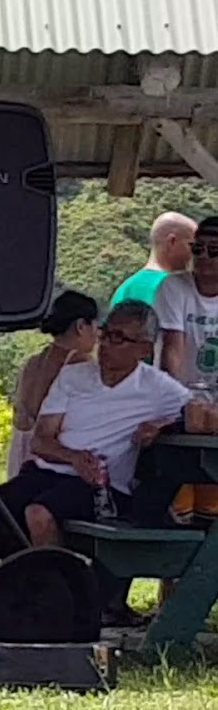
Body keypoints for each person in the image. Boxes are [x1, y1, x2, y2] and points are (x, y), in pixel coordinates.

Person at [0, 300, 190, 556]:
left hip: (102, 486)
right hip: (47, 472)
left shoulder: (158, 388)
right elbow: (40, 440)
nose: (104, 344)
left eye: (118, 338)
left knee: (39, 514)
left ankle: (54, 592)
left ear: (144, 348)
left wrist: (163, 424)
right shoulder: (74, 376)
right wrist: (73, 457)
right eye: (104, 333)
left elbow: (202, 412)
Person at [154, 216, 218, 524]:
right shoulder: (174, 287)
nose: (204, 258)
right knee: (180, 501)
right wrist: (179, 400)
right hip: (182, 396)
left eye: (214, 250)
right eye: (199, 249)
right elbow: (173, 348)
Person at [6, 290, 99, 478]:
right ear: (81, 326)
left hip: (21, 451)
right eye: (95, 326)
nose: (97, 334)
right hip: (51, 456)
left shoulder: (33, 361)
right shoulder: (79, 362)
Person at [111, 212, 197, 309]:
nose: (196, 253)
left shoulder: (124, 290)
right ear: (172, 241)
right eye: (192, 245)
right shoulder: (175, 288)